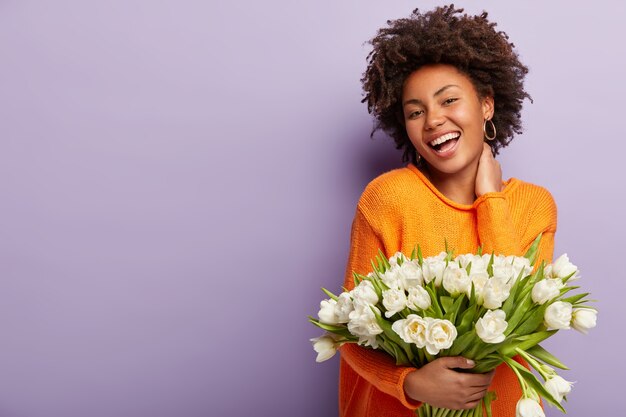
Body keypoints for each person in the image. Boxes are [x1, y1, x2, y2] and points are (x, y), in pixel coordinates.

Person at [339, 5, 557, 417]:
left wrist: (490, 200)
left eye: (449, 100)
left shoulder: (533, 205)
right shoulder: (387, 198)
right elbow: (349, 329)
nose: (433, 120)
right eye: (415, 112)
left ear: (487, 105)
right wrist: (411, 384)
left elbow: (526, 317)